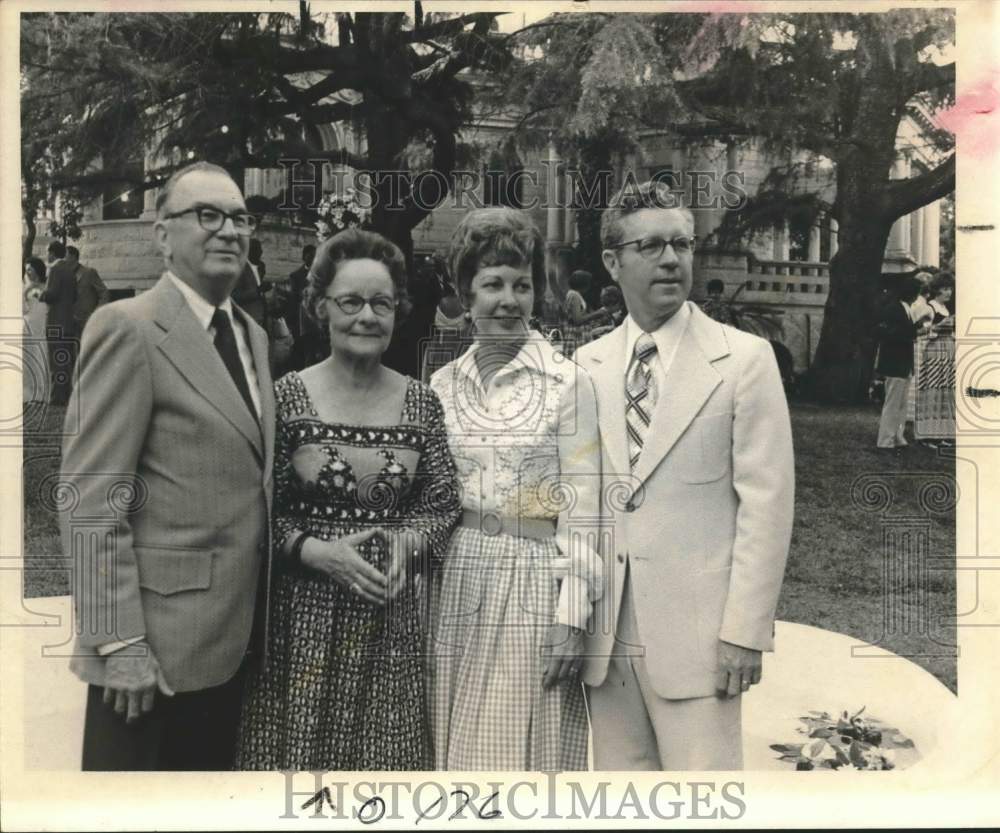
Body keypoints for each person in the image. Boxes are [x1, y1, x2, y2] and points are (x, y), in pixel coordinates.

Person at [59, 161, 275, 770]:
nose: (229, 230)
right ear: (162, 236)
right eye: (207, 215)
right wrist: (119, 641)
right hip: (149, 660)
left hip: (232, 646)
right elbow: (90, 499)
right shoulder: (127, 329)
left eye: (239, 217)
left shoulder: (252, 336)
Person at [575, 180, 794, 770]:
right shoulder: (586, 364)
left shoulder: (744, 359)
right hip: (606, 641)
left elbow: (767, 507)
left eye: (681, 243)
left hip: (701, 639)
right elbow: (581, 504)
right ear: (612, 261)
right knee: (623, 802)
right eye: (650, 246)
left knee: (702, 804)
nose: (671, 259)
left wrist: (745, 631)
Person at [237, 228, 460, 771]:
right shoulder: (285, 396)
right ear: (320, 309)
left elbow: (443, 502)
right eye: (351, 302)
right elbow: (258, 507)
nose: (367, 316)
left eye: (381, 303)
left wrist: (408, 542)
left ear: (398, 311)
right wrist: (316, 551)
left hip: (390, 619)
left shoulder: (421, 401)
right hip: (302, 622)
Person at [428, 207, 603, 771]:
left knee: (511, 759)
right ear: (464, 293)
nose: (508, 300)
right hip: (458, 576)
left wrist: (570, 619)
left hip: (532, 581)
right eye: (492, 284)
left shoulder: (567, 381)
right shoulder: (441, 384)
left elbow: (583, 510)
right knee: (452, 749)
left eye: (521, 285)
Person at [876, 275, 929, 452]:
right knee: (893, 402)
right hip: (894, 361)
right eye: (916, 292)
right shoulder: (894, 308)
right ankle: (885, 440)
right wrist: (916, 332)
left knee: (901, 403)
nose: (917, 296)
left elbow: (903, 331)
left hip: (903, 361)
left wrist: (916, 330)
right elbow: (891, 333)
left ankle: (897, 436)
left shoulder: (904, 308)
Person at [915, 272, 956, 447]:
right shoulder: (930, 308)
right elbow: (920, 331)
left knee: (945, 391)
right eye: (945, 289)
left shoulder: (946, 309)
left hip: (947, 350)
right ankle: (927, 435)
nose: (949, 292)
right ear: (937, 289)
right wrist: (939, 327)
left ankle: (941, 433)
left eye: (950, 289)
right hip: (934, 351)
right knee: (932, 389)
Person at [39, 240, 77, 406]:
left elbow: (52, 294)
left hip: (55, 321)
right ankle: (66, 395)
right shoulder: (70, 270)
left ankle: (57, 398)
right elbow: (74, 296)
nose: (47, 255)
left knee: (56, 361)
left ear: (53, 253)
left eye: (48, 251)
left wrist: (41, 294)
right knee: (65, 360)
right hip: (68, 321)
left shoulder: (54, 269)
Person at [22, 257, 50, 404]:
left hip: (42, 323)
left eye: (30, 269)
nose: (28, 272)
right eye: (26, 270)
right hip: (29, 324)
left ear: (37, 270)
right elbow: (22, 309)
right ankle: (29, 392)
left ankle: (41, 392)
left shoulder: (46, 286)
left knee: (40, 354)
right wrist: (26, 290)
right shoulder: (25, 287)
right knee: (29, 357)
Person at [66, 245, 110, 336]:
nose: (62, 258)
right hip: (69, 322)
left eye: (64, 255)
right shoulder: (63, 274)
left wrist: (97, 313)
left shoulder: (89, 272)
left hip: (87, 321)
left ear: (73, 256)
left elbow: (104, 293)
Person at [286, 244, 316, 371]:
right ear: (304, 257)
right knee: (302, 350)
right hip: (302, 318)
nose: (313, 259)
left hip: (318, 319)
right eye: (310, 256)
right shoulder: (296, 276)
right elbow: (294, 298)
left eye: (315, 256)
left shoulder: (321, 273)